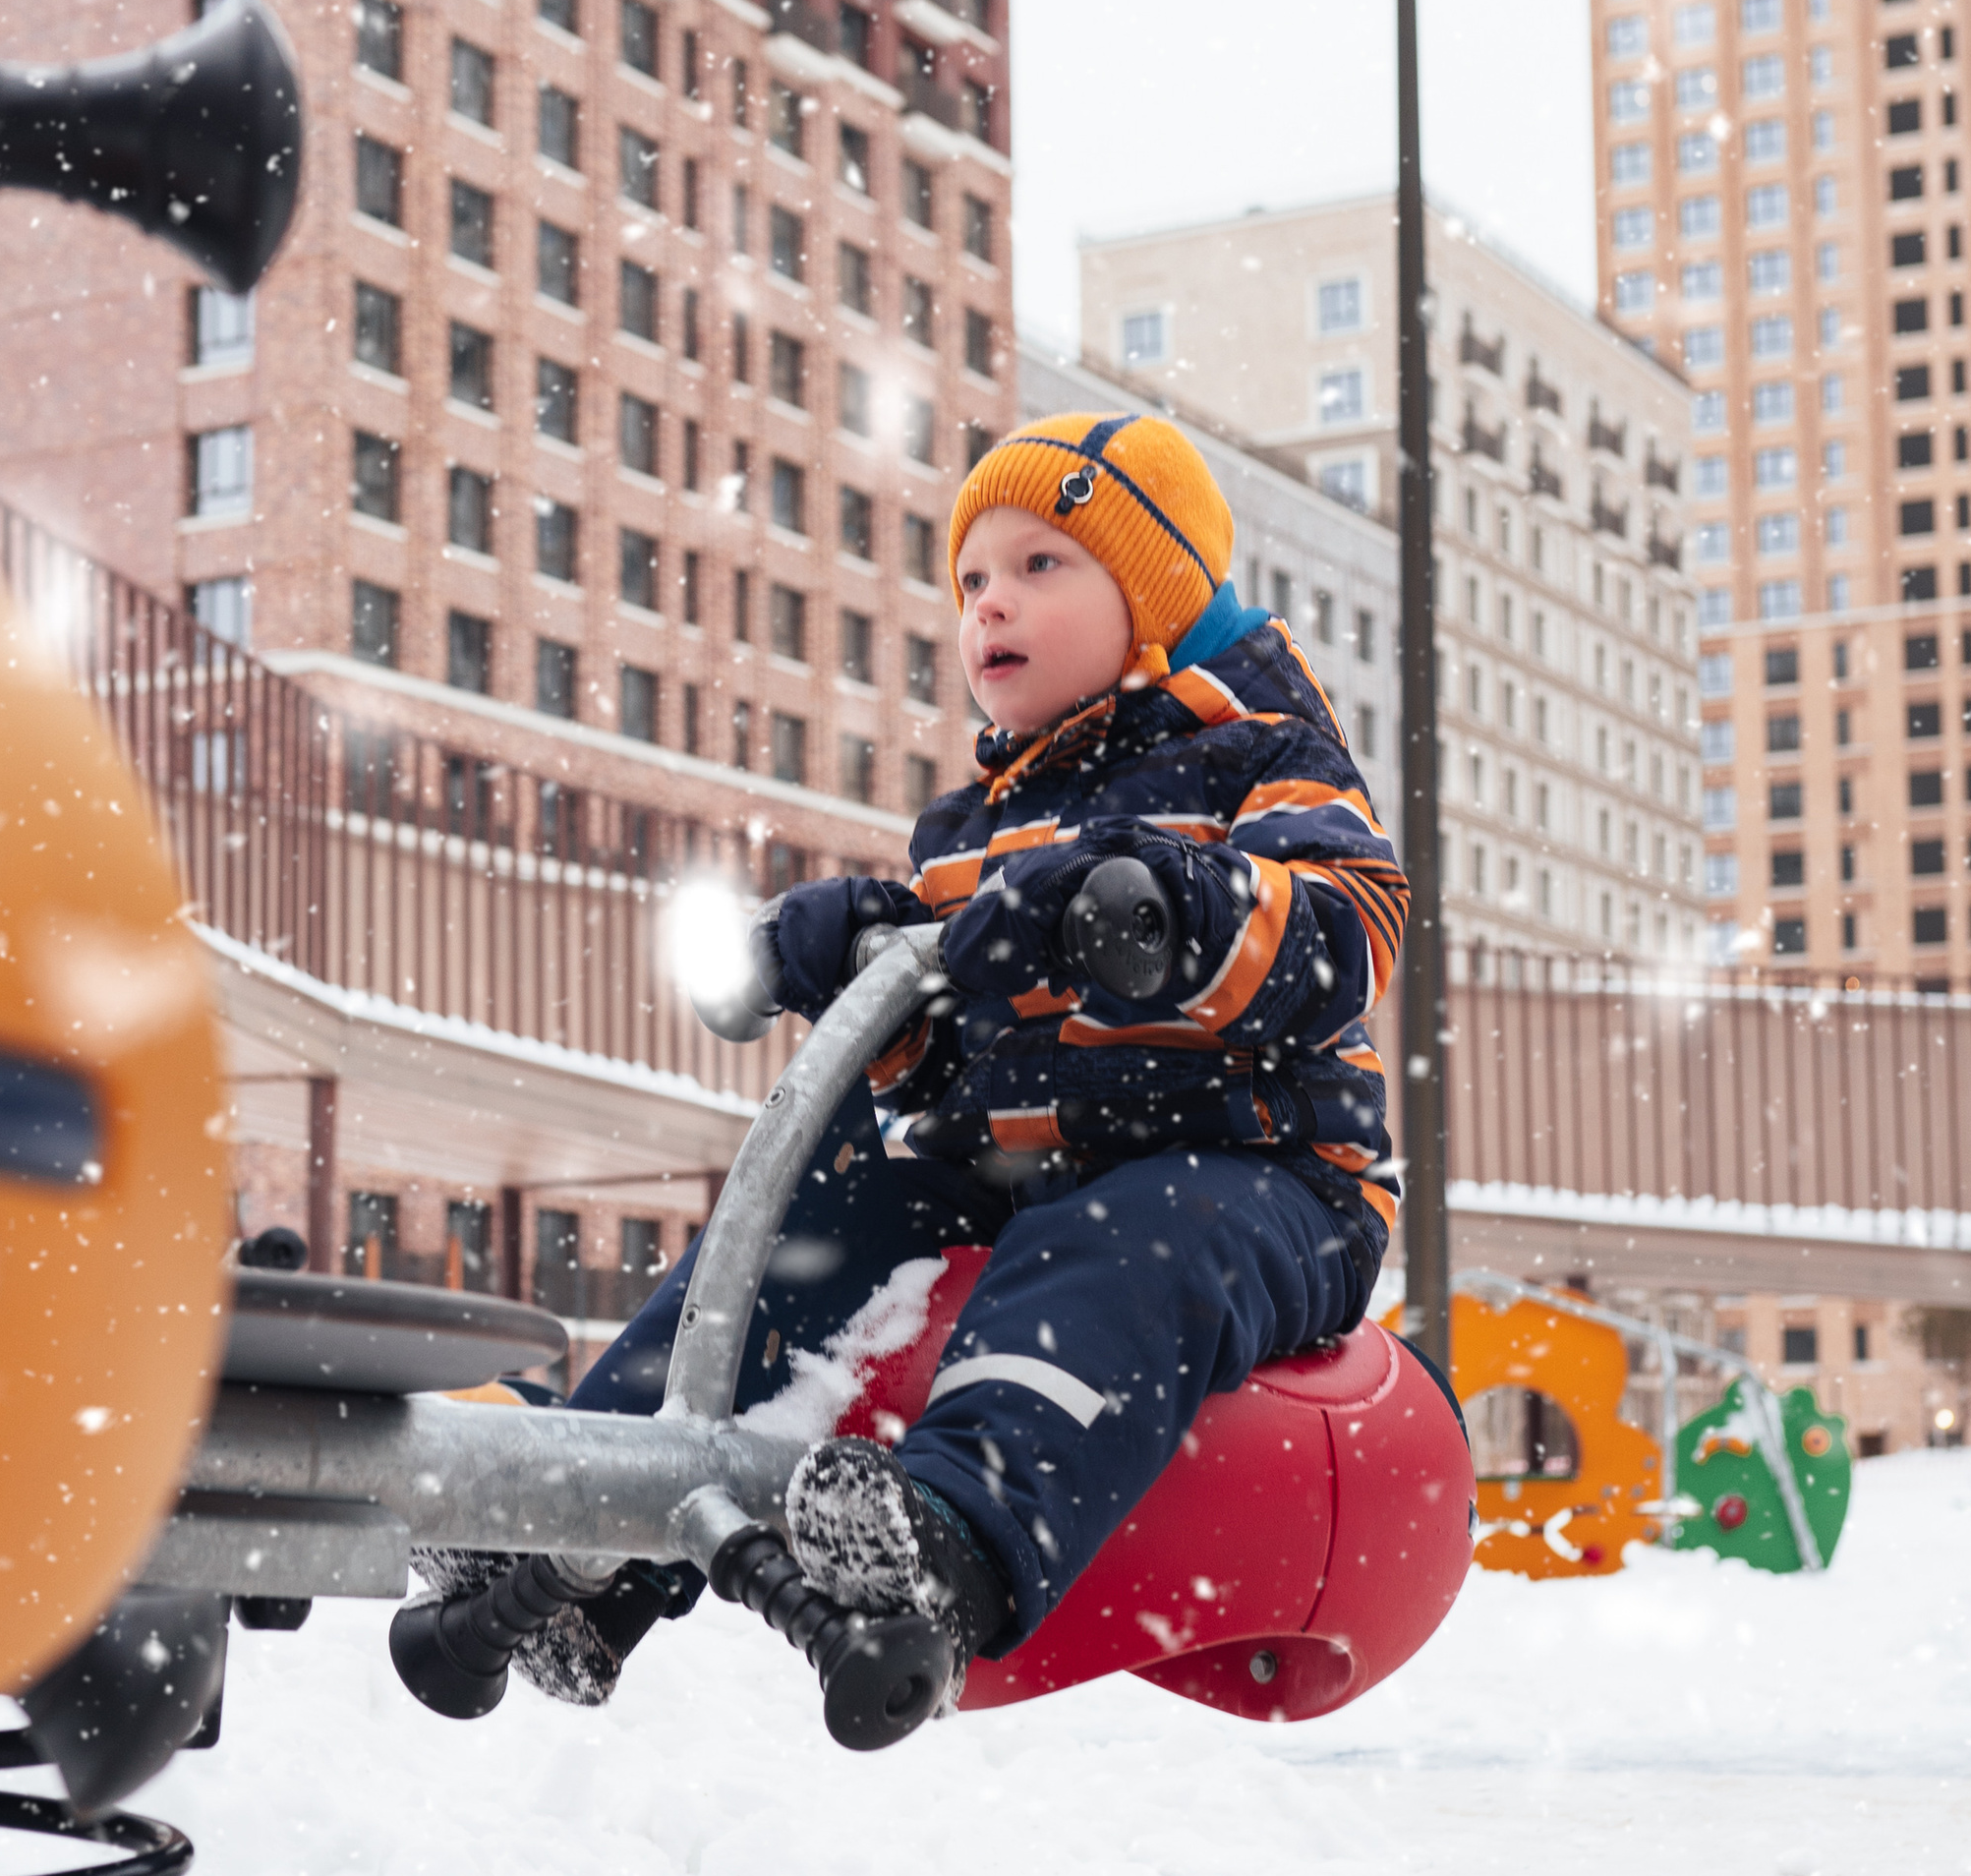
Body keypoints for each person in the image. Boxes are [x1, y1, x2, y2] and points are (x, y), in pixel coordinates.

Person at [416, 411, 1407, 1717]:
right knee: (811, 1222)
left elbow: (1351, 927)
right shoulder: (970, 826)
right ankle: (586, 1522)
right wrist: (884, 987)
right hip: (1023, 1175)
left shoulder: (1260, 755)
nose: (992, 602)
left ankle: (952, 1537)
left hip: (1263, 1177)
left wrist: (1157, 908)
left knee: (1125, 1237)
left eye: (1041, 566)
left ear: (1153, 593)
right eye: (974, 581)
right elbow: (954, 1079)